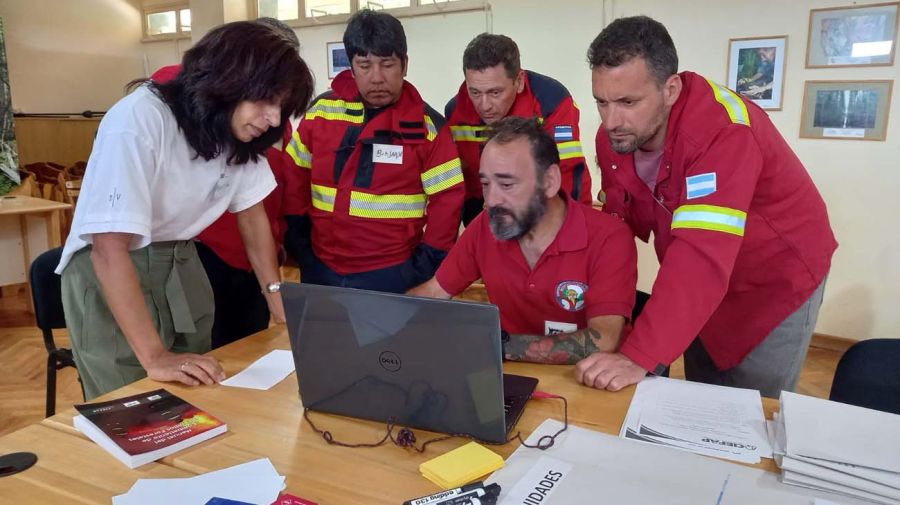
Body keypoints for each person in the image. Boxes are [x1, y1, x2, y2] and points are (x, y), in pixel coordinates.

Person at [56, 21, 314, 400]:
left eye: (281, 106)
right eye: (266, 101)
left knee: (197, 394)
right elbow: (108, 249)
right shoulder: (139, 119)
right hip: (115, 272)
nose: (274, 119)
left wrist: (277, 300)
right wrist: (156, 355)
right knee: (131, 407)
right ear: (228, 81)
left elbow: (252, 215)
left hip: (182, 265)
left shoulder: (235, 132)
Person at [585, 16, 837, 397]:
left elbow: (700, 256)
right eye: (601, 102)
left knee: (753, 408)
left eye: (628, 102)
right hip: (701, 280)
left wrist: (639, 355)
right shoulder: (616, 140)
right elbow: (618, 226)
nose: (611, 120)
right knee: (704, 394)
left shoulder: (723, 130)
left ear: (670, 89)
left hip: (772, 279)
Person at [408, 117, 637, 388]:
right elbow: (434, 293)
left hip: (592, 385)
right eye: (485, 184)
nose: (491, 200)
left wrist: (495, 344)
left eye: (506, 184)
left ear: (550, 181)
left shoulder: (609, 236)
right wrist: (388, 323)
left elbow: (604, 340)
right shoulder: (485, 227)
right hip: (507, 381)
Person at [283, 9, 464, 293]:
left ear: (404, 65)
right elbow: (293, 177)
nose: (377, 77)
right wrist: (299, 243)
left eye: (387, 64)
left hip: (392, 274)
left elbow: (448, 202)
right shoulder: (321, 113)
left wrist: (424, 266)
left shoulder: (429, 129)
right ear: (351, 67)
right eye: (365, 65)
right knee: (324, 338)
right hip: (320, 266)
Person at [151, 18, 301, 349]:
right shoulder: (171, 103)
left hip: (255, 260)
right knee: (204, 348)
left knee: (247, 352)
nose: (274, 112)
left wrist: (276, 288)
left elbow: (260, 205)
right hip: (203, 254)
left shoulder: (268, 123)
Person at [445, 33, 593, 225]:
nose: (484, 105)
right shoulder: (455, 112)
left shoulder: (552, 102)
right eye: (474, 92)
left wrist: (572, 227)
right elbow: (467, 182)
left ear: (520, 80)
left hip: (549, 212)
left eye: (495, 92)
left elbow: (567, 175)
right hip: (487, 213)